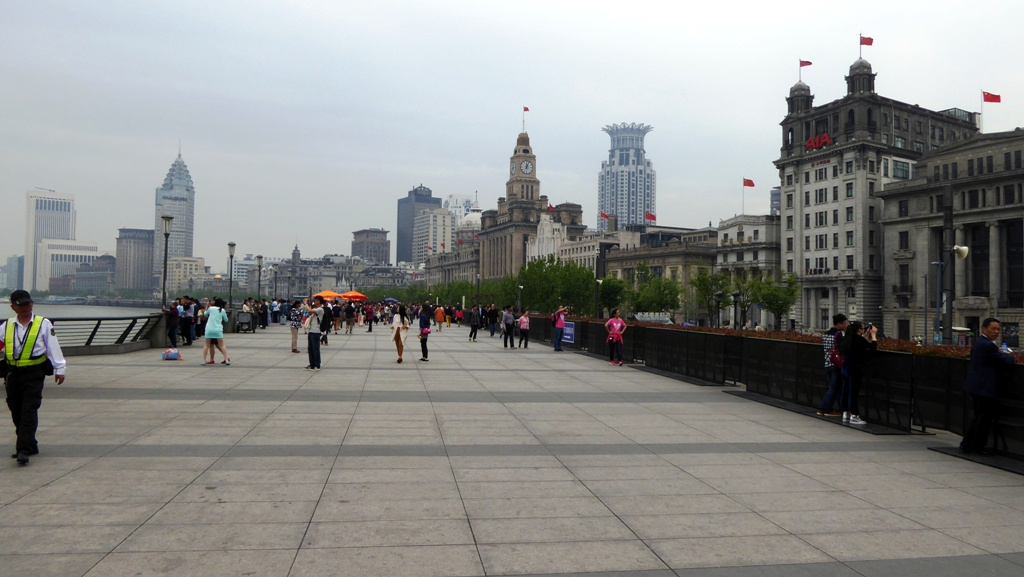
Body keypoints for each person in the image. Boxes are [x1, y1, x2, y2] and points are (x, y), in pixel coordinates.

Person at [1, 290, 66, 466]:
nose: (26, 308)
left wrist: (60, 368)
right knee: (16, 411)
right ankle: (31, 443)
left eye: (28, 304)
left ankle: (23, 449)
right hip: (13, 375)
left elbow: (53, 346)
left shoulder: (43, 324)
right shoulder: (6, 326)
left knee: (29, 409)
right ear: (13, 307)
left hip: (34, 373)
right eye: (21, 305)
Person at [960, 317, 1015, 454]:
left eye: (998, 329)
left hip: (976, 385)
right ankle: (978, 447)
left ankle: (967, 444)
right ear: (984, 329)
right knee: (983, 418)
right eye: (993, 329)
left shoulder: (980, 342)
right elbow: (1005, 361)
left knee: (979, 417)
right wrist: (1011, 355)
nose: (996, 332)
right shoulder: (988, 345)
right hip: (984, 387)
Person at [839, 321, 877, 425]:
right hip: (854, 369)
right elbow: (872, 348)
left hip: (845, 367)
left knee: (845, 391)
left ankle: (845, 413)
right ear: (858, 330)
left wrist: (865, 336)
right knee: (853, 392)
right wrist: (873, 335)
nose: (864, 330)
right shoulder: (858, 340)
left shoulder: (847, 338)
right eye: (863, 328)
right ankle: (854, 415)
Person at [817, 313, 848, 417]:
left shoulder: (826, 333)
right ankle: (826, 409)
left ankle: (823, 409)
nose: (845, 326)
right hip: (836, 364)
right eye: (844, 323)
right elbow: (843, 348)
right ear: (839, 324)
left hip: (827, 362)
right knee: (834, 388)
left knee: (831, 387)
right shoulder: (838, 334)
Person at [201, 297, 230, 365]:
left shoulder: (211, 308)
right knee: (222, 345)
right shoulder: (222, 310)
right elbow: (226, 320)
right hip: (218, 329)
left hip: (209, 329)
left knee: (206, 345)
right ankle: (226, 359)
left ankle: (204, 361)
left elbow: (205, 314)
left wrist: (206, 307)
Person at [305, 296, 324, 370]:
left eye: (315, 301)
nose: (314, 302)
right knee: (310, 349)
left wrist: (306, 304)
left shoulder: (320, 309)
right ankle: (312, 364)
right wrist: (308, 305)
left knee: (316, 349)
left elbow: (310, 310)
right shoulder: (315, 309)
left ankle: (317, 365)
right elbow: (309, 312)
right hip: (311, 330)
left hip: (316, 331)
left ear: (319, 301)